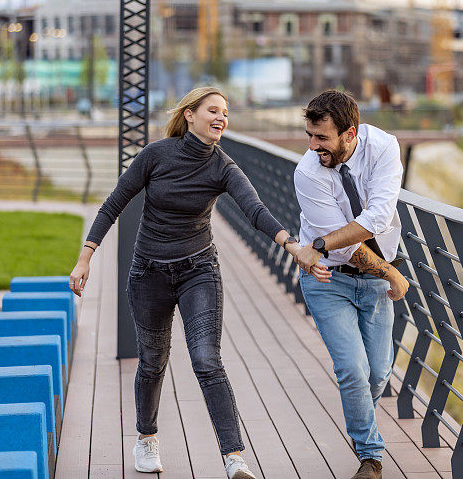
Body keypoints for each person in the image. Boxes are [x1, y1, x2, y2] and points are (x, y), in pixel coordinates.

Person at [68, 87, 330, 478]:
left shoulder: (224, 167)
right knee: (153, 362)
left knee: (206, 360)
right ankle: (146, 438)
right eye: (213, 110)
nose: (221, 117)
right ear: (189, 115)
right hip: (148, 273)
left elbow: (255, 210)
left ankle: (234, 459)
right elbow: (115, 202)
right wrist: (85, 257)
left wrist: (292, 246)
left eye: (226, 112)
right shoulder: (156, 155)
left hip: (198, 271)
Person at [293, 89, 409, 479]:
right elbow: (344, 250)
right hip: (329, 281)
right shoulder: (308, 170)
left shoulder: (383, 147)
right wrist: (391, 272)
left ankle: (359, 417)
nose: (313, 146)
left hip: (372, 283)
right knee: (353, 371)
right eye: (309, 136)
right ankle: (371, 457)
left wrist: (320, 244)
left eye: (322, 137)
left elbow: (378, 214)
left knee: (377, 374)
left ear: (350, 133)